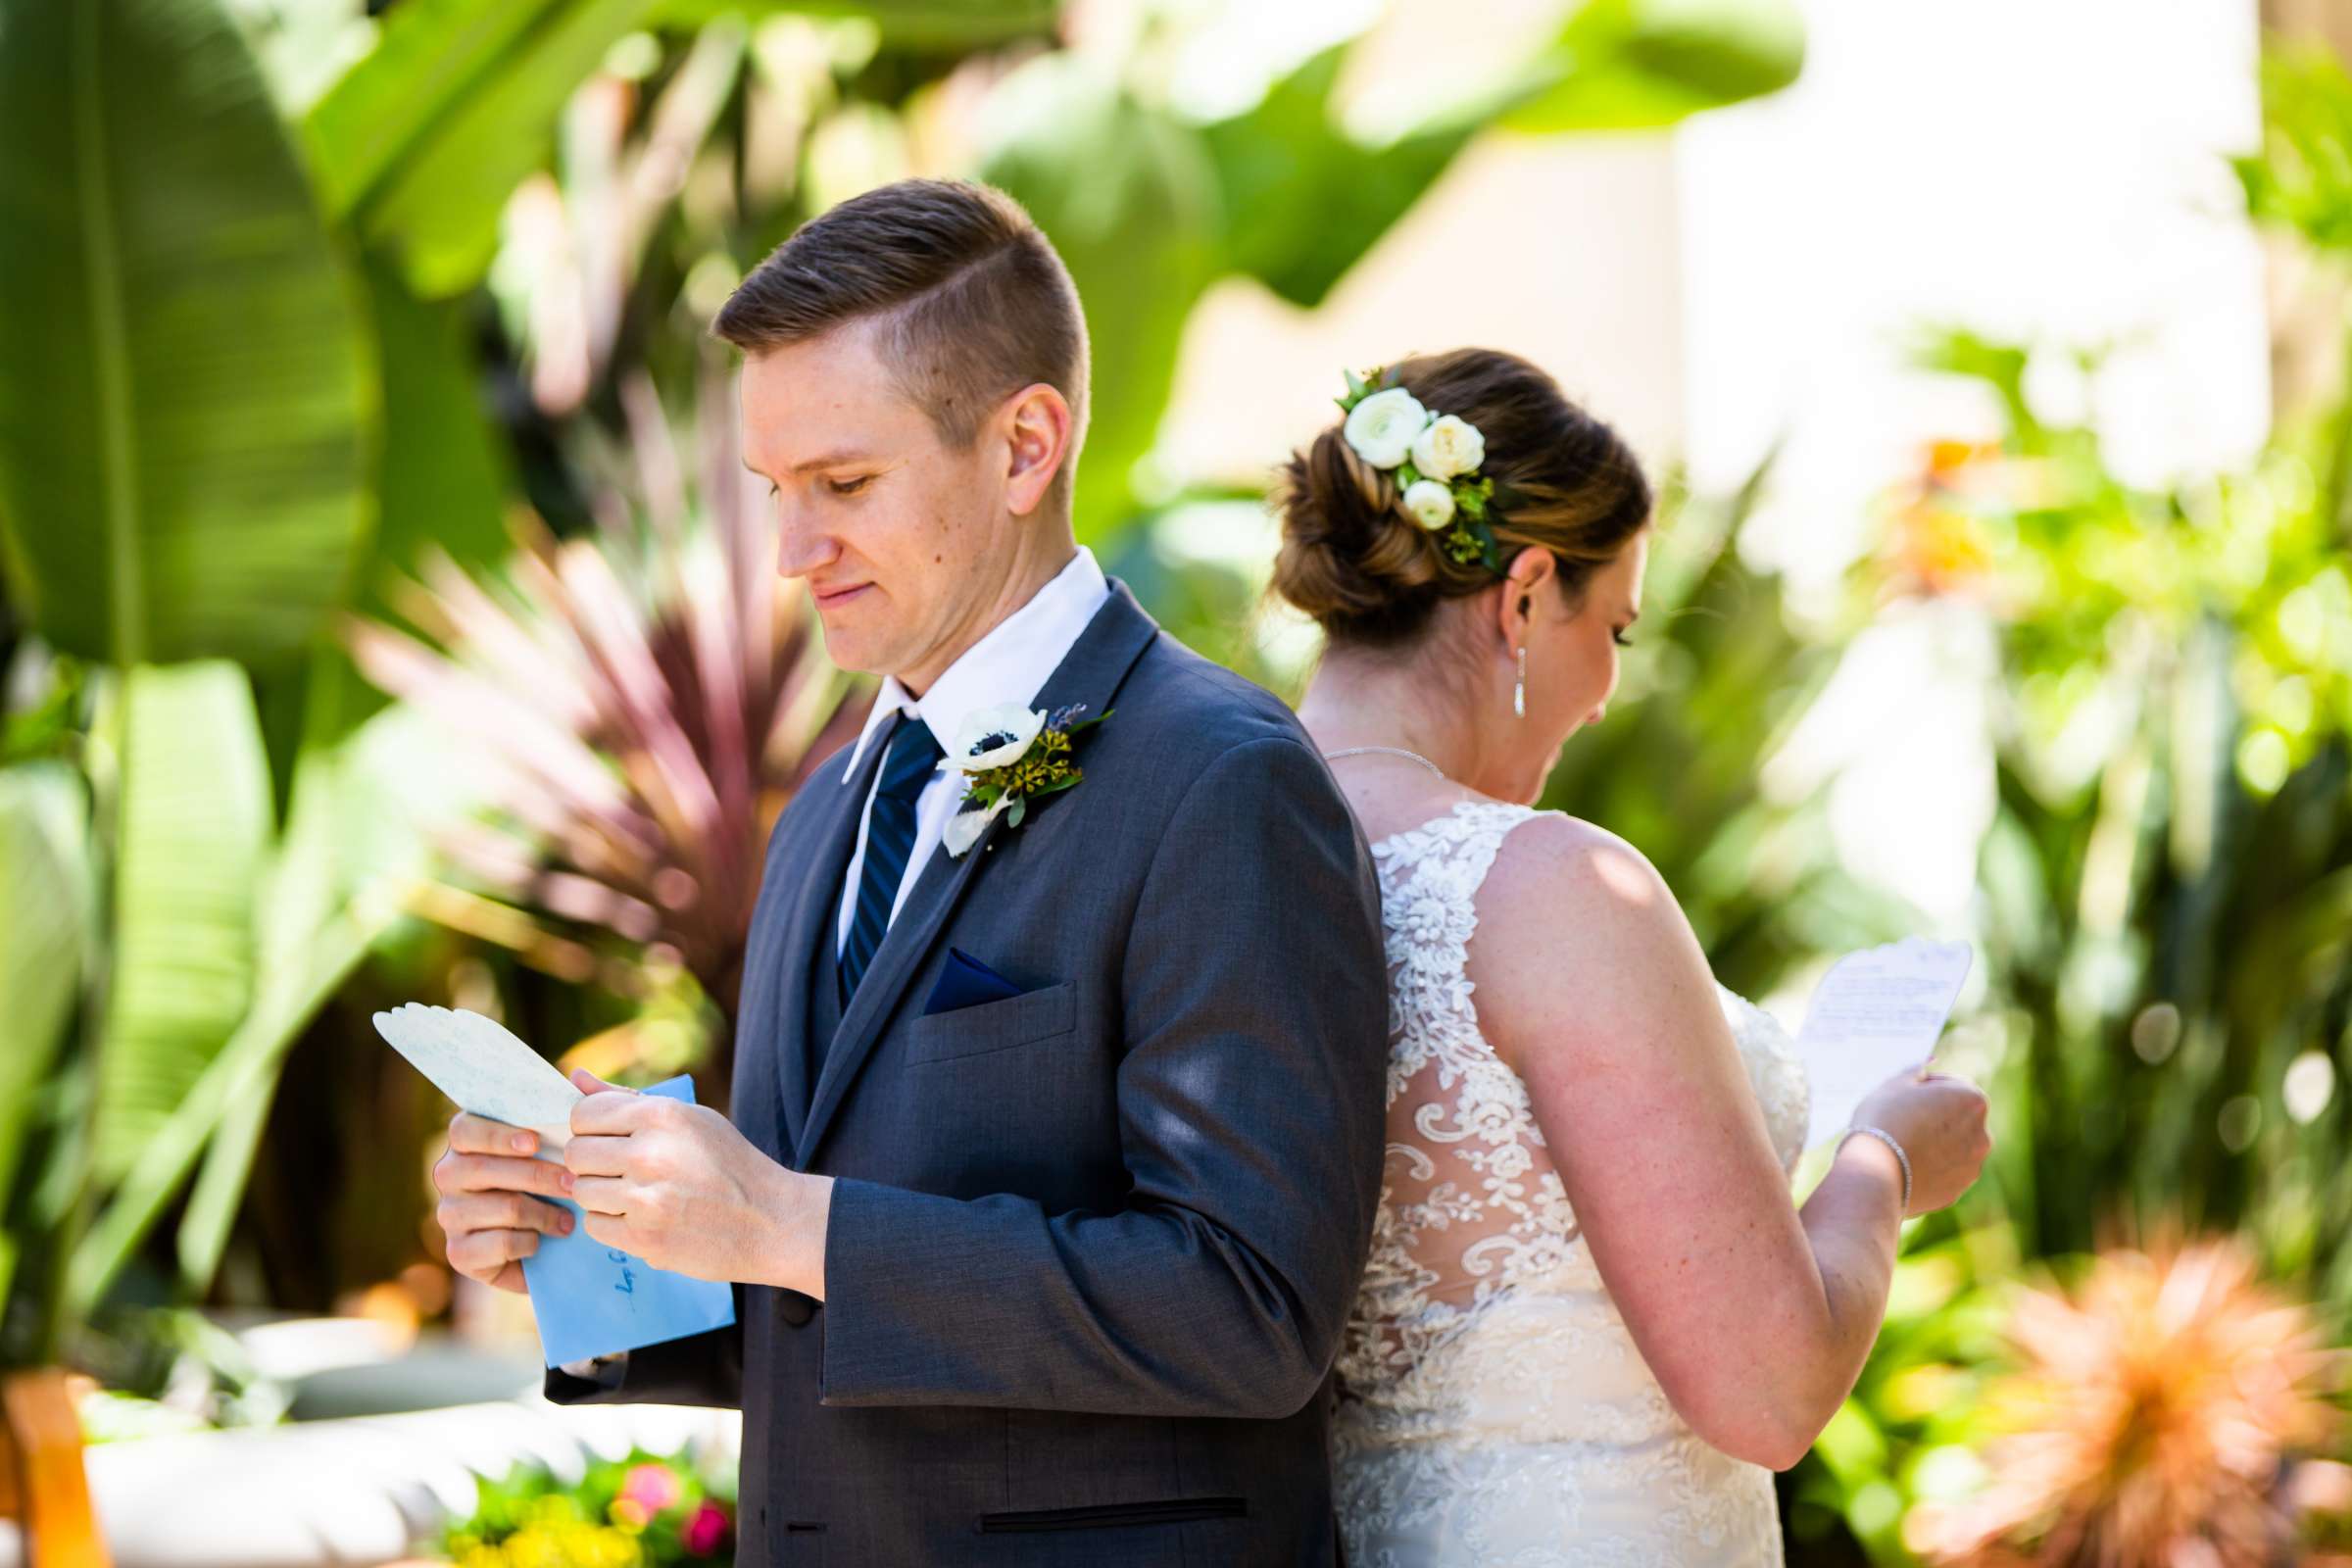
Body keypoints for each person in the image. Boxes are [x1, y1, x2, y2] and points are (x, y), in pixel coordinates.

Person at [427, 177, 1391, 1565]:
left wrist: (788, 1221)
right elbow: (812, 1308)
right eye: (775, 490)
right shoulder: (824, 809)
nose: (791, 552)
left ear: (1024, 447)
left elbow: (1250, 1308)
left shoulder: (1221, 780)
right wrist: (576, 1249)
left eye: (844, 483)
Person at [1274, 347, 1993, 1565]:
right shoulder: (1554, 888)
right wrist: (1884, 1160)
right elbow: (1768, 1393)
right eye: (1610, 625)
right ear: (1523, 596)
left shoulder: (1219, 857)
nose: (1607, 690)